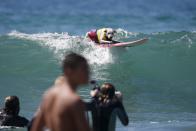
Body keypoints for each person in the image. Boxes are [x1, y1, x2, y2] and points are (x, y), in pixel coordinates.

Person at [31, 53, 91, 131]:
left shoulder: (49, 94)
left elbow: (36, 128)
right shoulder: (74, 101)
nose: (88, 73)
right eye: (84, 69)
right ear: (69, 71)